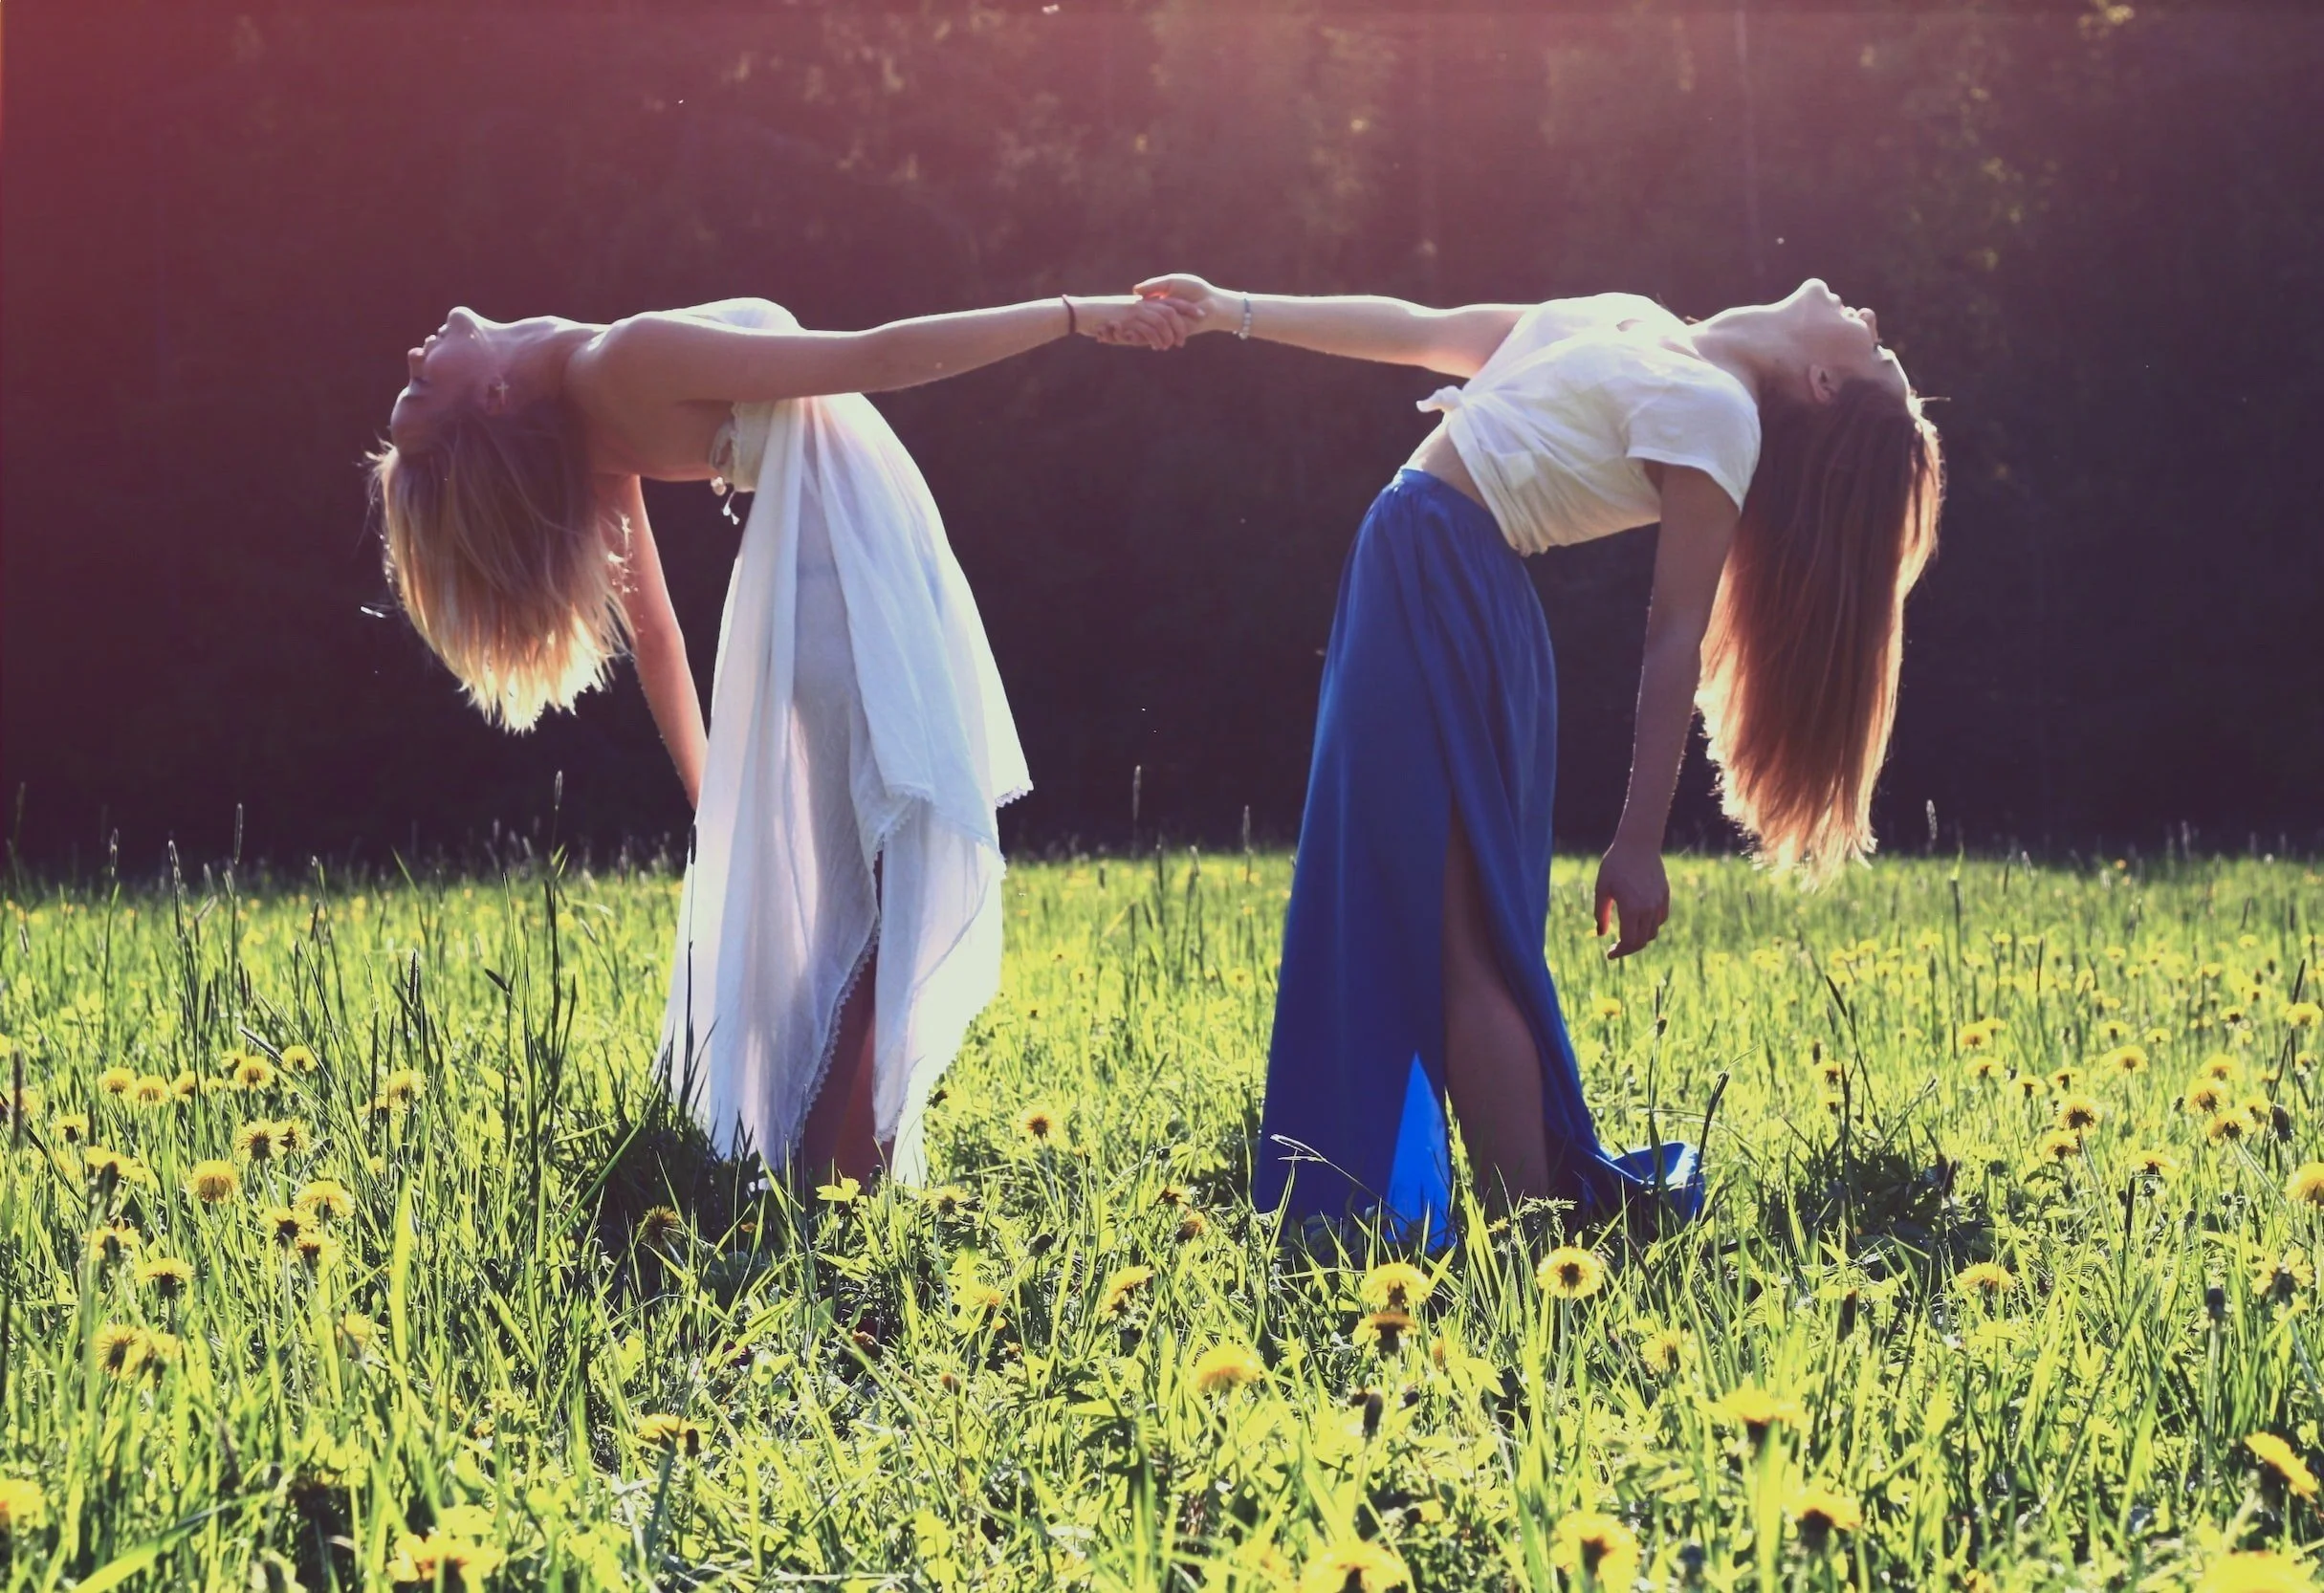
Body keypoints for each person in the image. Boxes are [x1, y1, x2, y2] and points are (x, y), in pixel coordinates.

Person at [1134, 273, 1943, 1238]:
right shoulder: (1644, 322)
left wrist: (1638, 840)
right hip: (1425, 567)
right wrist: (1232, 311)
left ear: (1820, 381)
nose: (1872, 317)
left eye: (1876, 351)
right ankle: (1532, 1226)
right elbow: (1422, 323)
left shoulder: (1718, 418)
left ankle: (1537, 1238)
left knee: (1457, 941)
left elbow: (1674, 634)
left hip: (1447, 580)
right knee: (1444, 928)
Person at [369, 290, 1193, 1185]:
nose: (410, 364)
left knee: (867, 917)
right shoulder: (625, 361)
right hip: (851, 608)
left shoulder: (595, 402)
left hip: (840, 601)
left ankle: (833, 1174)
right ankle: (829, 1183)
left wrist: (715, 805)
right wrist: (1073, 314)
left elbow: (657, 638)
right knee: (875, 916)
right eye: (419, 394)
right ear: (493, 396)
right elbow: (880, 350)